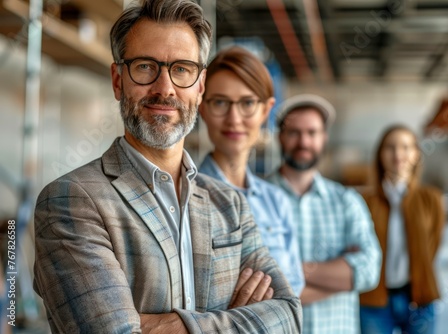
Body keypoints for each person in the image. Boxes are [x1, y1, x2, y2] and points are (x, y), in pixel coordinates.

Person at [32, 1, 302, 333]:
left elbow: (289, 316)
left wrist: (176, 326)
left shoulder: (229, 203)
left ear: (200, 86)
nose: (165, 88)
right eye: (145, 67)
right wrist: (237, 322)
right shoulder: (71, 200)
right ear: (118, 81)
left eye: (182, 69)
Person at [267, 94, 382, 334]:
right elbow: (258, 287)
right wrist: (339, 278)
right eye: (294, 132)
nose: (304, 141)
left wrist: (293, 270)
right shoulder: (254, 199)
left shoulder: (347, 201)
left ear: (324, 138)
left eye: (312, 132)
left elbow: (369, 271)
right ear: (280, 137)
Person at [198, 46, 304, 296]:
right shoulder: (181, 197)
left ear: (266, 111)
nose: (234, 118)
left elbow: (294, 289)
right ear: (201, 107)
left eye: (247, 103)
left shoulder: (276, 202)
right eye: (220, 102)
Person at [359, 125, 445, 334]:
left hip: (419, 298)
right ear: (380, 155)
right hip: (374, 300)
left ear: (416, 155)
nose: (398, 154)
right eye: (390, 147)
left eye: (406, 147)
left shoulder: (431, 199)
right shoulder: (364, 202)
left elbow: (433, 244)